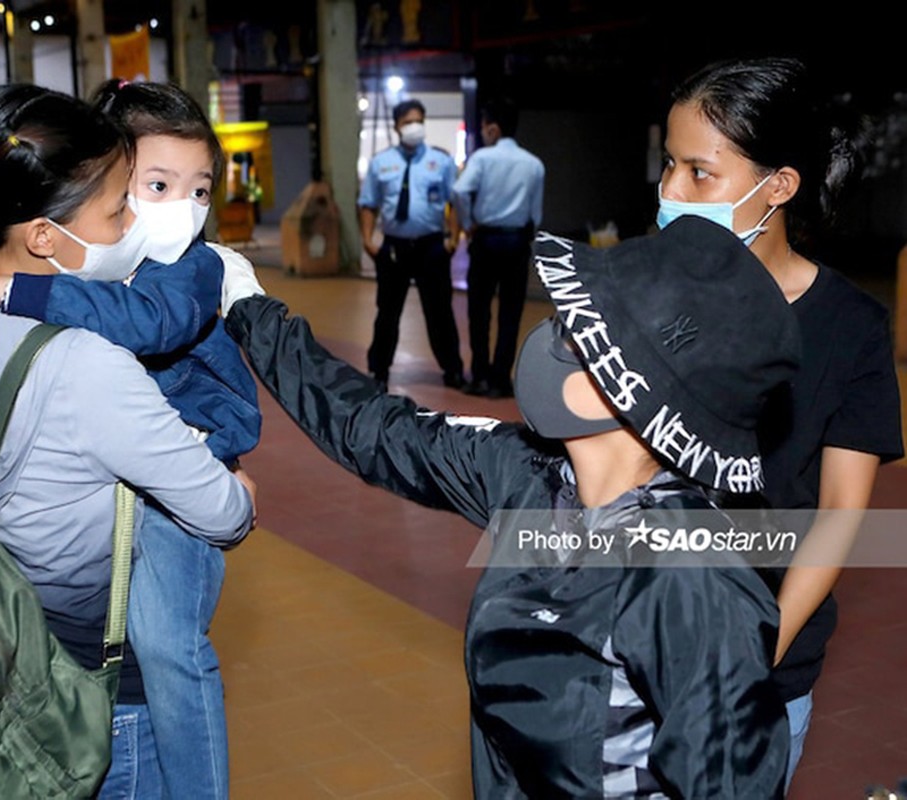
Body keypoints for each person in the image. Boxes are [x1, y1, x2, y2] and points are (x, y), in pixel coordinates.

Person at [220, 215, 798, 797]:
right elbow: (374, 428)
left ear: (629, 386)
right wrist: (248, 306)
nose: (549, 338)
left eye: (574, 331)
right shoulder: (535, 478)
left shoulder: (692, 573)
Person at [0, 80, 259, 800]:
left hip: (12, 650)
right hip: (97, 691)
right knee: (170, 654)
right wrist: (232, 490)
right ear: (46, 232)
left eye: (197, 190)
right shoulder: (85, 363)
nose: (141, 223)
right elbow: (225, 514)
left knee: (174, 644)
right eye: (124, 204)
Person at [659, 56, 903, 788]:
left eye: (698, 173)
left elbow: (836, 516)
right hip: (635, 640)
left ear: (779, 186)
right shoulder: (646, 294)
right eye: (667, 165)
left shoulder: (851, 328)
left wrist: (750, 657)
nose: (670, 191)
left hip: (762, 663)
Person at [359, 98, 465, 391]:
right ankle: (379, 370)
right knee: (388, 312)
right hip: (394, 248)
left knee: (440, 312)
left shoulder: (440, 161)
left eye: (418, 121)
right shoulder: (382, 163)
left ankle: (452, 369)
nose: (414, 127)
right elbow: (368, 204)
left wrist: (453, 238)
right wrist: (368, 241)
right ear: (396, 126)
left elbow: (453, 202)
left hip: (432, 247)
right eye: (407, 123)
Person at [451, 98, 545, 399]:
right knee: (510, 312)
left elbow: (460, 190)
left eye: (483, 126)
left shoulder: (481, 159)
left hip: (486, 240)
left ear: (493, 128)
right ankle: (501, 378)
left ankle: (479, 375)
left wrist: (468, 223)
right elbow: (536, 214)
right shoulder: (534, 164)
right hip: (517, 242)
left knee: (478, 311)